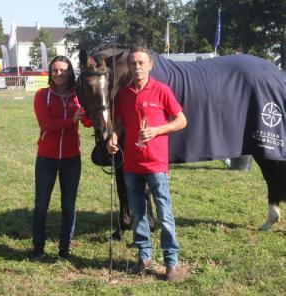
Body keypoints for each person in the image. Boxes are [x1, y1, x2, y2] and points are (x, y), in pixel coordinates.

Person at [107, 47, 187, 282]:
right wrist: (113, 137)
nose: (137, 67)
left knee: (164, 213)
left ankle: (171, 262)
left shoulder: (161, 90)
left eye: (141, 62)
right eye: (133, 63)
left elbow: (181, 120)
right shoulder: (123, 94)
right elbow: (118, 123)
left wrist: (158, 130)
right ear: (129, 67)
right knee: (138, 213)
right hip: (131, 164)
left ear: (150, 65)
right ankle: (144, 257)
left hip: (156, 163)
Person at [31, 55, 92, 261]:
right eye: (55, 70)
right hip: (46, 158)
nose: (59, 74)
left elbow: (87, 124)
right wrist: (70, 120)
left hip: (71, 158)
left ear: (70, 72)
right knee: (41, 204)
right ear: (50, 72)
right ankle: (38, 248)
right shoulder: (42, 95)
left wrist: (93, 108)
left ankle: (64, 250)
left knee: (68, 205)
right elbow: (45, 123)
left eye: (63, 70)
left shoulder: (78, 96)